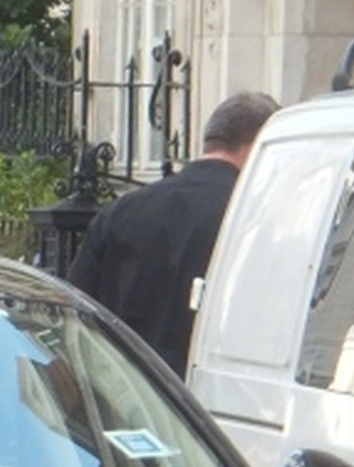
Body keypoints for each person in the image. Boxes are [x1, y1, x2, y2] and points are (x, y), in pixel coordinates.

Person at [67, 91, 279, 373]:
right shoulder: (256, 215)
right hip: (210, 395)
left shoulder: (122, 211)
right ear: (261, 145)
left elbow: (74, 310)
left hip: (123, 389)